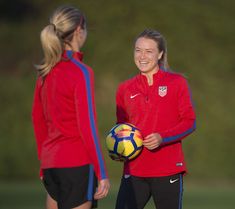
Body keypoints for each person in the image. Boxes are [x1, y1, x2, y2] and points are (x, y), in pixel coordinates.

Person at [32, 5, 110, 209]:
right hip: (77, 165)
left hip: (51, 166)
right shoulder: (81, 72)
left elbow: (37, 119)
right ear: (78, 30)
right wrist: (102, 173)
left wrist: (43, 164)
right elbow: (88, 126)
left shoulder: (45, 70)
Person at [115, 29, 196, 209]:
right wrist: (118, 147)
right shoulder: (124, 88)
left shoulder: (177, 83)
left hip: (167, 169)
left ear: (160, 54)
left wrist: (162, 138)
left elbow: (190, 122)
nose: (142, 56)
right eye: (138, 50)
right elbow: (121, 128)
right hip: (134, 170)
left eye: (148, 51)